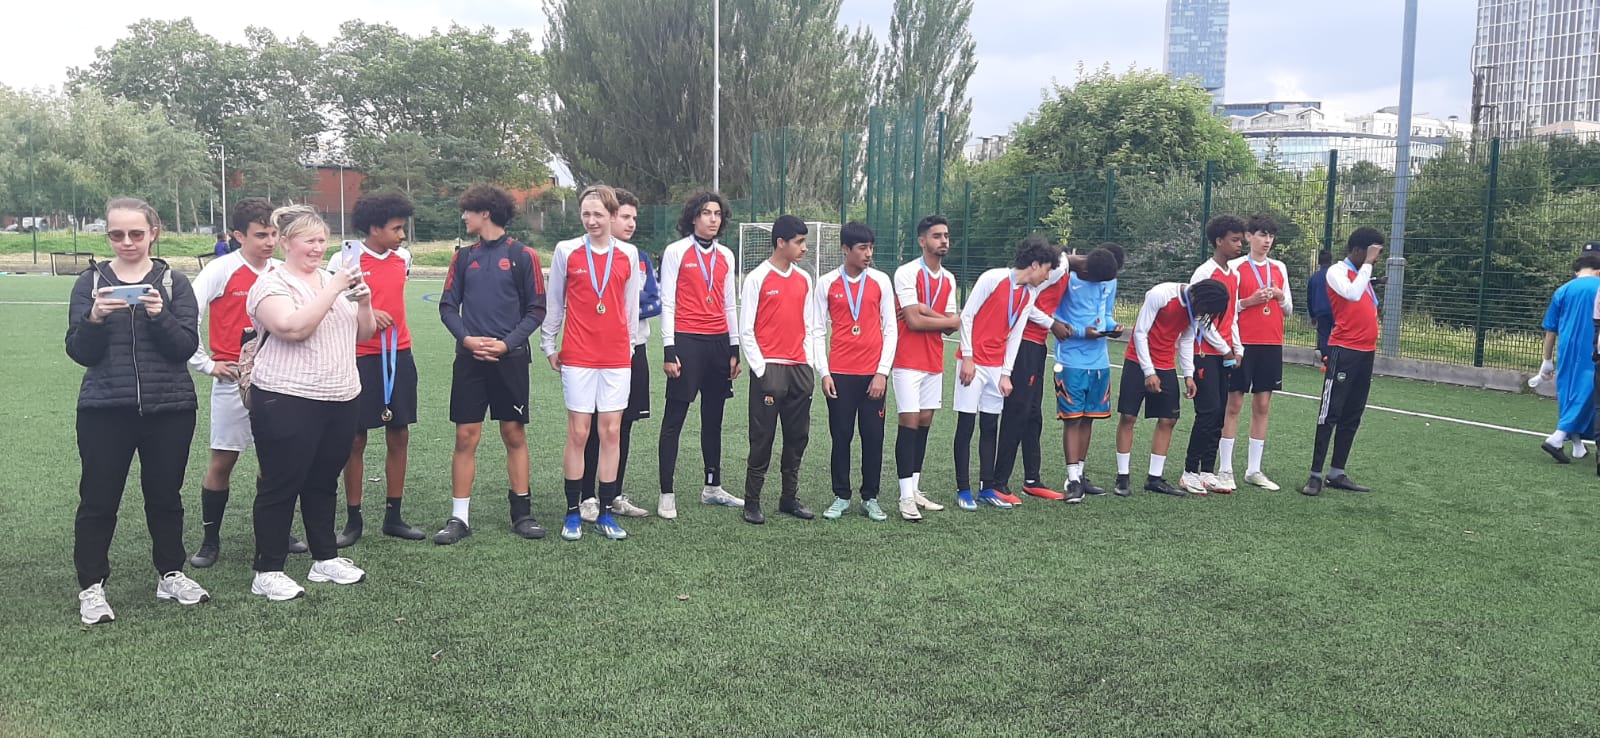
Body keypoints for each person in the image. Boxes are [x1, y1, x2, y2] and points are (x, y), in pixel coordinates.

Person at [67, 197, 208, 625]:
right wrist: (93, 317)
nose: (126, 242)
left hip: (170, 408)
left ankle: (170, 573)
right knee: (98, 499)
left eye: (135, 233)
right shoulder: (90, 282)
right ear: (107, 236)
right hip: (104, 408)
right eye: (116, 234)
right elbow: (78, 352)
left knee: (165, 497)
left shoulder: (173, 283)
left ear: (154, 233)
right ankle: (92, 586)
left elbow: (184, 347)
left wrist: (158, 315)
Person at [245, 205, 376, 600]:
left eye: (322, 240)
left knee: (323, 480)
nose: (318, 248)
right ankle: (267, 568)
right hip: (286, 396)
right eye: (309, 241)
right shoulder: (271, 284)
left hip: (339, 395)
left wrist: (364, 301)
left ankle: (324, 557)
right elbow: (292, 328)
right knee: (281, 483)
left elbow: (363, 333)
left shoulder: (330, 279)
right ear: (285, 243)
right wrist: (334, 288)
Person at [186, 198, 305, 568]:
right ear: (238, 235)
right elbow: (187, 312)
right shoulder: (221, 270)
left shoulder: (282, 272)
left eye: (273, 233)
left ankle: (276, 533)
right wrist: (206, 364)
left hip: (279, 382)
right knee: (223, 460)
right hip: (234, 381)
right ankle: (209, 541)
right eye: (260, 235)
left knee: (276, 463)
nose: (269, 241)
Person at [435, 185, 548, 544]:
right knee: (465, 436)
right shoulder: (463, 257)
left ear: (485, 213)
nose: (464, 217)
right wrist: (467, 340)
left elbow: (536, 310)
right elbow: (447, 307)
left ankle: (522, 513)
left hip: (510, 360)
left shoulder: (523, 256)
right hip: (469, 361)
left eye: (468, 211)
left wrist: (505, 344)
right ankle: (459, 518)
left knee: (513, 433)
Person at [542, 185, 642, 541]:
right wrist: (548, 343)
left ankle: (603, 510)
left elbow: (630, 307)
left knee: (611, 432)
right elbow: (555, 302)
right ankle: (573, 512)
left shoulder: (628, 254)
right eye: (586, 214)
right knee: (579, 432)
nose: (591, 220)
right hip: (579, 355)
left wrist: (628, 347)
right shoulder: (566, 251)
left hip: (616, 357)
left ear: (612, 216)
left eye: (598, 214)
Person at [327, 192, 426, 546]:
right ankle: (353, 520)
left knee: (399, 434)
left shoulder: (404, 258)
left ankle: (393, 516)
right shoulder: (345, 258)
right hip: (358, 355)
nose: (402, 235)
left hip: (399, 353)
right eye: (396, 228)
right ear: (374, 228)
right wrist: (364, 315)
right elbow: (331, 305)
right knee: (354, 439)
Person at [951, 236, 1060, 511]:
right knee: (966, 426)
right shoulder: (993, 278)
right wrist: (967, 356)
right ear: (1034, 265)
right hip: (972, 364)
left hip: (996, 368)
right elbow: (968, 316)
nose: (1047, 277)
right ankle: (963, 490)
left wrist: (1005, 373)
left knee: (990, 426)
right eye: (1046, 270)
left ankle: (987, 487)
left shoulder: (1029, 294)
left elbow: (1015, 336)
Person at [657, 192, 745, 518]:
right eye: (706, 213)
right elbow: (667, 301)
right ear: (693, 217)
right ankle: (667, 493)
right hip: (687, 340)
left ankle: (712, 486)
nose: (712, 219)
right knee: (675, 419)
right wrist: (670, 348)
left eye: (717, 213)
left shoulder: (726, 255)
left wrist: (734, 347)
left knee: (714, 418)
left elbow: (729, 302)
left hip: (719, 343)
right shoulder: (676, 251)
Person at [577, 188, 657, 520]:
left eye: (634, 218)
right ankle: (587, 496)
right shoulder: (584, 253)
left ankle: (614, 494)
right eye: (625, 216)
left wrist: (620, 308)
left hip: (633, 352)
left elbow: (653, 300)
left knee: (622, 427)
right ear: (610, 217)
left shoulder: (639, 257)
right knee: (593, 427)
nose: (631, 223)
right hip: (596, 354)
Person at [738, 215, 822, 524]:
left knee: (797, 437)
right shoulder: (757, 278)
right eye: (799, 242)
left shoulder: (804, 280)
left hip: (799, 369)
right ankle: (752, 502)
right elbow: (746, 329)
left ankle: (789, 498)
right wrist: (762, 370)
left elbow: (812, 326)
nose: (803, 247)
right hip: (770, 371)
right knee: (762, 439)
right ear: (781, 243)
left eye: (804, 241)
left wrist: (808, 364)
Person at [1113, 279, 1232, 498]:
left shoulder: (1196, 309)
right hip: (1138, 361)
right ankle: (1122, 477)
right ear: (1199, 298)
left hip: (1166, 363)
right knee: (1128, 417)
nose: (1204, 314)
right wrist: (1148, 371)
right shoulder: (1161, 294)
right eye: (1206, 309)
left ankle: (1154, 478)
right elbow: (1140, 332)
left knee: (1168, 420)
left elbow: (1186, 339)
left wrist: (1189, 374)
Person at [815, 222, 898, 521]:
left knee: (873, 437)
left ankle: (870, 497)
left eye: (871, 248)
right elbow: (816, 330)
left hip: (872, 374)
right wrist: (824, 372)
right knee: (841, 436)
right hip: (839, 375)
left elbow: (891, 329)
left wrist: (882, 373)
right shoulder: (826, 283)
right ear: (846, 249)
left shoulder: (880, 281)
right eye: (862, 248)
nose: (868, 254)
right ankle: (841, 496)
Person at [1302, 228, 1386, 496]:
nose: (1376, 259)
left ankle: (1337, 472)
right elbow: (1350, 294)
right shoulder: (1337, 272)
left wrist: (1370, 272)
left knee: (1353, 412)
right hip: (1343, 351)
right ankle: (1315, 475)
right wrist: (1369, 266)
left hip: (1366, 352)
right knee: (1330, 412)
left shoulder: (1364, 274)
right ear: (1359, 251)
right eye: (1374, 253)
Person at [890, 216, 960, 517]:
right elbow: (914, 322)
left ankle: (915, 489)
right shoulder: (906, 273)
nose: (943, 240)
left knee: (925, 423)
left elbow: (951, 327)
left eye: (945, 236)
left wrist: (926, 312)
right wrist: (942, 319)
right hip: (906, 359)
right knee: (908, 423)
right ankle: (905, 497)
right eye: (936, 236)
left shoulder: (950, 278)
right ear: (922, 241)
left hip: (934, 359)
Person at [1219, 215, 1293, 491]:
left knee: (1262, 406)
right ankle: (1225, 469)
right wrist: (1248, 302)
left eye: (1271, 236)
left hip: (1271, 344)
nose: (1267, 241)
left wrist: (1279, 296)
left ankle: (1254, 469)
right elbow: (1227, 308)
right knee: (1234, 405)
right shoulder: (1236, 267)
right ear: (1249, 236)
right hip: (1243, 344)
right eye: (1262, 234)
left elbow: (1288, 309)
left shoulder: (1279, 268)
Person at [992, 249, 1073, 502]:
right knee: (1017, 410)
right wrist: (1053, 324)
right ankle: (998, 482)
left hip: (1038, 346)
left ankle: (1032, 479)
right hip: (1023, 344)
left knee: (1033, 414)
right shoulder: (1057, 269)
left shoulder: (1066, 271)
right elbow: (1027, 306)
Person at [1050, 245, 1123, 502]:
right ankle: (1071, 479)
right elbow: (1054, 316)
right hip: (1070, 360)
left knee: (1089, 418)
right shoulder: (1066, 277)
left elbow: (1105, 315)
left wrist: (1113, 328)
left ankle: (1080, 474)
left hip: (1100, 361)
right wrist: (1082, 331)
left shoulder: (1108, 280)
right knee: (1072, 418)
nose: (1102, 284)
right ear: (1086, 269)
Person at [1181, 215, 1244, 496]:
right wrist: (1224, 347)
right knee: (1207, 413)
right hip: (1204, 352)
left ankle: (1207, 470)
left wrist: (1237, 347)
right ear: (1219, 241)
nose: (1239, 244)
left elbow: (1230, 317)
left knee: (1219, 414)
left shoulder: (1235, 274)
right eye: (1234, 239)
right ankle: (1189, 471)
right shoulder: (1204, 273)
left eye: (1241, 239)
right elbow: (1201, 320)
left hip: (1225, 354)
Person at [1535, 253, 1600, 463]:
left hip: (1567, 350)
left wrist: (1546, 360)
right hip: (1591, 348)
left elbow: (1550, 329)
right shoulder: (1599, 287)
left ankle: (1578, 446)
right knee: (1588, 393)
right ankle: (1558, 437)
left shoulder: (1562, 290)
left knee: (1570, 392)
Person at [1307, 250, 1335, 359]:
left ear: (1319, 262)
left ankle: (1326, 359)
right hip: (1335, 309)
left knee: (1324, 335)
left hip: (1320, 310)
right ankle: (1338, 357)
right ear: (1331, 261)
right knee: (1339, 334)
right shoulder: (1336, 275)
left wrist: (1312, 315)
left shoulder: (1314, 277)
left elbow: (1309, 297)